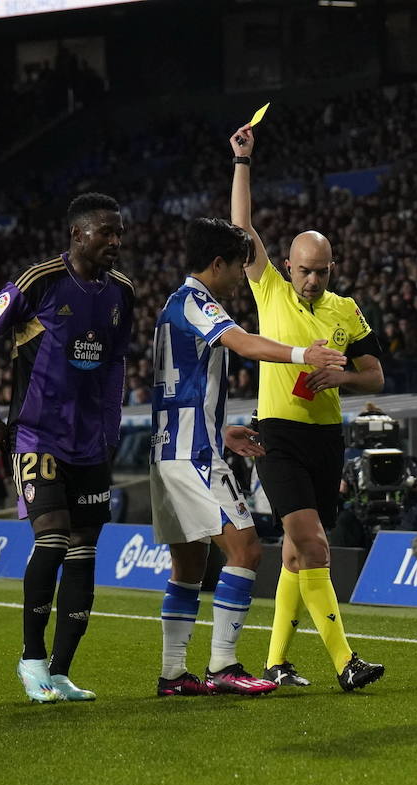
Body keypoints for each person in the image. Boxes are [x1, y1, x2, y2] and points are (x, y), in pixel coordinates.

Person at [150, 216, 347, 697]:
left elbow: (185, 384)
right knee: (247, 549)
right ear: (217, 264)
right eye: (238, 266)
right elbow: (244, 342)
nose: (243, 275)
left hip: (173, 447)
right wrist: (304, 355)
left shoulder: (175, 305)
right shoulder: (198, 302)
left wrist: (222, 429)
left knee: (190, 564)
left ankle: (174, 674)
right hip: (192, 455)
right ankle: (223, 666)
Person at [229, 124, 386, 691]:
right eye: (303, 269)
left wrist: (341, 375)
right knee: (314, 541)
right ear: (288, 267)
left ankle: (275, 661)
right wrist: (243, 162)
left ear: (332, 268)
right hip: (277, 436)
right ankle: (346, 662)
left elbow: (376, 374)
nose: (311, 278)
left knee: (298, 553)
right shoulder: (268, 289)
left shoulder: (347, 310)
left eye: (321, 270)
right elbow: (241, 228)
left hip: (325, 439)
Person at [0, 192, 135, 704]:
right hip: (38, 433)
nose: (115, 242)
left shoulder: (121, 292)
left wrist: (111, 430)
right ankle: (31, 659)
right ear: (78, 234)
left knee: (85, 549)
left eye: (119, 232)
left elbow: (116, 364)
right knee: (53, 539)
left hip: (89, 444)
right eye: (106, 232)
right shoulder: (39, 281)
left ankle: (60, 671)